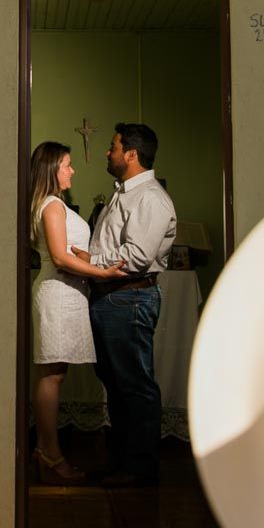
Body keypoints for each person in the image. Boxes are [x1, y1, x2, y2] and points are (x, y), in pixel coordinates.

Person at [85, 123, 178, 487]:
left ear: (131, 154)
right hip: (114, 297)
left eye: (113, 147)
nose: (108, 153)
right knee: (117, 382)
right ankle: (122, 461)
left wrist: (88, 260)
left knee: (135, 384)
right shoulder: (124, 193)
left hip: (130, 297)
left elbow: (137, 257)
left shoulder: (149, 198)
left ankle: (139, 468)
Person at [27, 140, 124, 484]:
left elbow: (75, 252)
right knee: (51, 374)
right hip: (56, 293)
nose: (73, 170)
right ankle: (50, 455)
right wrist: (105, 273)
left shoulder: (55, 204)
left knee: (55, 374)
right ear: (53, 169)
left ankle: (44, 451)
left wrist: (98, 261)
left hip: (67, 295)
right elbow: (59, 257)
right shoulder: (52, 205)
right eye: (67, 164)